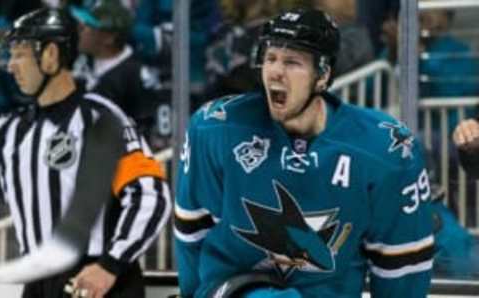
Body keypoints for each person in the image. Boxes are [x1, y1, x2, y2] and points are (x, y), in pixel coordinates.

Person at [174, 8, 434, 298]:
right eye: (270, 58)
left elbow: (402, 266)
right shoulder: (216, 129)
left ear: (322, 76)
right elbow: (191, 232)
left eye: (292, 62)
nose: (275, 71)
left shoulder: (384, 151)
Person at [1, 7, 171, 298]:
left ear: (51, 55)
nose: (10, 66)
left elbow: (150, 196)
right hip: (39, 283)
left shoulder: (101, 119)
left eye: (20, 54)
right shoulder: (11, 132)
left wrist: (110, 265)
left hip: (98, 280)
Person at [71, 0, 171, 150]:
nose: (80, 29)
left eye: (88, 26)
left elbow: (154, 133)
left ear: (108, 38)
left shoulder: (136, 76)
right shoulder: (82, 61)